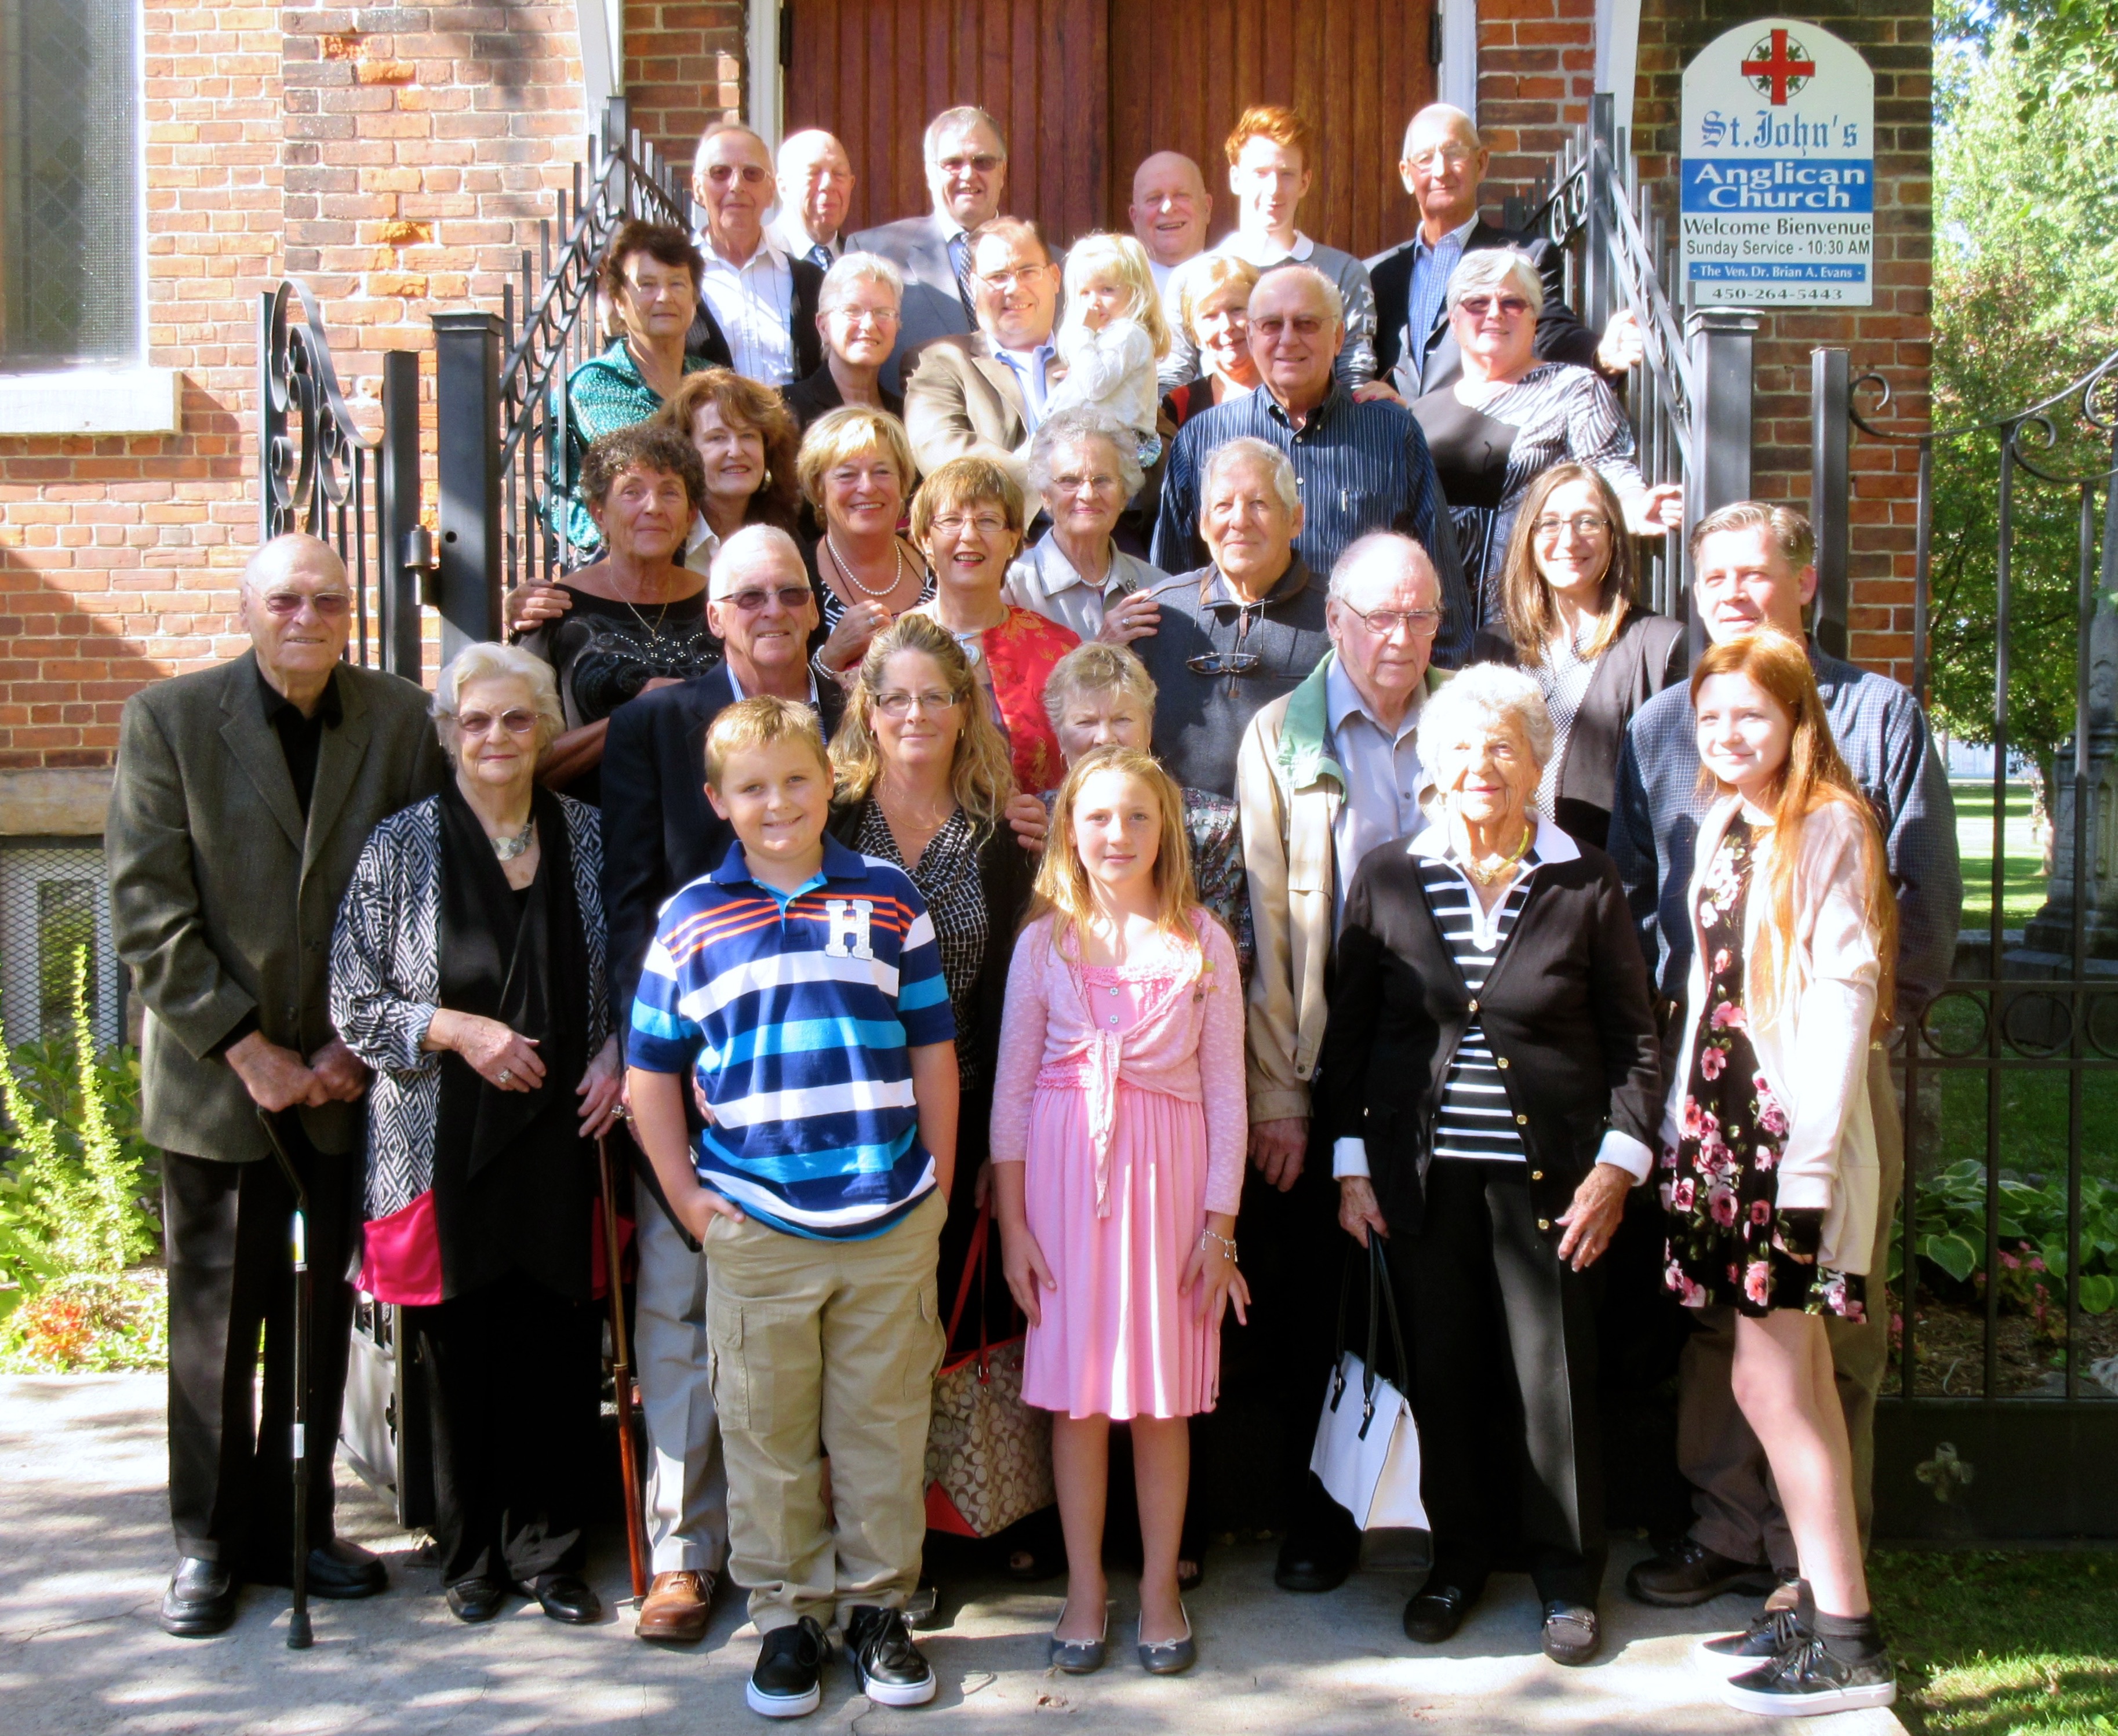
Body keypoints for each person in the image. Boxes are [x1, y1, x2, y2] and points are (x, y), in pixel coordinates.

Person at [1607, 503, 1960, 1617]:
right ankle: (1725, 1528)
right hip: (1708, 1089)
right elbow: (1644, 896)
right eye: (1714, 573)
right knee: (1726, 1335)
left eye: (1756, 573)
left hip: (1818, 1082)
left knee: (1824, 1336)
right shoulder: (1665, 725)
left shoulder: (1872, 715)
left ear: (1802, 584)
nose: (1735, 589)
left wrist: (1842, 1060)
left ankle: (1814, 1573)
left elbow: (1919, 906)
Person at [107, 533, 448, 1638]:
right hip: (222, 1088)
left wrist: (362, 1044)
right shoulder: (171, 719)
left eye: (329, 600)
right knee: (215, 1326)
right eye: (286, 600)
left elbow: (424, 882)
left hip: (344, 1081)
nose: (308, 616)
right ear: (248, 609)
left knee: (312, 1325)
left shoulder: (396, 718)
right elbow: (148, 908)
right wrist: (243, 1047)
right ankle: (209, 1542)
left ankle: (299, 1524)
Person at [1320, 663, 1663, 1666]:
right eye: (1463, 747)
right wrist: (1351, 1166)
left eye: (1503, 748)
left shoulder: (1581, 874)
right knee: (1448, 1374)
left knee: (1551, 1382)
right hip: (1421, 1181)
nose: (1482, 765)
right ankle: (1455, 1561)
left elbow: (1633, 1041)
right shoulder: (1387, 873)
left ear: (1534, 764)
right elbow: (1351, 1039)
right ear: (1434, 764)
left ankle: (1564, 1579)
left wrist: (1618, 1164)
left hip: (1551, 1182)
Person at [626, 697, 958, 1719]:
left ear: (830, 784)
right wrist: (687, 1199)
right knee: (766, 1432)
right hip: (756, 1223)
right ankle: (785, 1618)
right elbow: (649, 1076)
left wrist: (935, 1183)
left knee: (881, 1428)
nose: (778, 803)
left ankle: (875, 1610)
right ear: (719, 803)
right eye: (753, 788)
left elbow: (932, 1052)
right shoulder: (688, 921)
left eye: (797, 781)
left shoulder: (890, 901)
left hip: (885, 1212)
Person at [328, 644, 623, 1626]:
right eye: (475, 721)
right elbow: (354, 1003)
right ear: (449, 733)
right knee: (456, 1353)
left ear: (543, 731)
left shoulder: (588, 838)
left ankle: (550, 1551)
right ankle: (469, 1555)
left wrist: (619, 1053)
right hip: (441, 1137)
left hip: (563, 1136)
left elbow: (633, 977)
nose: (495, 737)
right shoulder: (398, 848)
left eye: (516, 719)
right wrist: (456, 1030)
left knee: (557, 1344)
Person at [598, 527, 845, 1643]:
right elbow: (631, 900)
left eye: (790, 592)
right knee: (681, 1306)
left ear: (813, 605)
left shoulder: (850, 713)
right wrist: (661, 1058)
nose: (770, 609)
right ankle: (685, 1554)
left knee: (828, 1320)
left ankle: (813, 1548)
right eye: (746, 594)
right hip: (697, 1068)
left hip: (827, 1085)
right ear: (714, 611)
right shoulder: (657, 724)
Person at [1668, 631, 1900, 1717]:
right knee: (1784, 1380)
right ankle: (1815, 1610)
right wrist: (1680, 1121)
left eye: (1748, 716)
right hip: (1717, 1139)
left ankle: (1843, 1634)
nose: (1725, 736)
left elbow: (1843, 1005)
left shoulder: (1828, 829)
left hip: (1783, 1144)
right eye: (1709, 718)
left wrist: (1802, 1176)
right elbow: (1707, 985)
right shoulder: (1722, 820)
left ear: (1794, 717)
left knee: (1771, 1382)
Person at [992, 747, 1249, 1676]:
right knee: (1077, 1398)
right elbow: (1012, 1095)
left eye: (1137, 816)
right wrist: (1016, 1225)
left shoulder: (1200, 941)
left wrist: (1219, 1228)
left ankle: (1156, 1588)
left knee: (1160, 1400)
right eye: (1097, 816)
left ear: (1164, 830)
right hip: (1065, 1193)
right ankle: (1085, 1586)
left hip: (1169, 1192)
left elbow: (1228, 1098)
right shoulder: (1044, 942)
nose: (1117, 834)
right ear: (1069, 829)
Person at [1233, 532, 1454, 1596]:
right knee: (1318, 1305)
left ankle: (1451, 1520)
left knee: (1439, 1298)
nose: (1397, 637)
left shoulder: (1471, 720)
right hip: (1330, 1055)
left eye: (1417, 615)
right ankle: (1319, 1521)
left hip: (1449, 1061)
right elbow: (1270, 925)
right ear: (1334, 622)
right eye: (1375, 616)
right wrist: (1275, 1091)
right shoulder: (1282, 733)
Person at [827, 615, 1035, 1409]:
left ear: (962, 710)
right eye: (896, 698)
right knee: (854, 1344)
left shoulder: (1000, 836)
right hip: (846, 1123)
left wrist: (996, 1147)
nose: (915, 714)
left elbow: (1017, 1002)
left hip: (963, 1117)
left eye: (934, 697)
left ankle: (947, 1529)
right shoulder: (828, 827)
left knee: (950, 1328)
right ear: (869, 712)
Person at [1151, 264, 1474, 668]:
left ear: (1338, 337)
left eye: (1306, 323)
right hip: (1235, 676)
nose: (1288, 339)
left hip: (1361, 682)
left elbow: (1439, 580)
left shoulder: (1393, 435)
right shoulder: (1202, 438)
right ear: (1251, 336)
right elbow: (1170, 581)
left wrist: (1439, 686)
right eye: (1271, 325)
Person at [1413, 249, 1681, 614]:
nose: (1495, 313)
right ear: (1455, 321)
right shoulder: (1421, 412)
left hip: (1530, 610)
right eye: (1478, 303)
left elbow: (1607, 466)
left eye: (1512, 303)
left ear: (1535, 319)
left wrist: (1635, 506)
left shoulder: (1574, 388)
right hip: (1435, 616)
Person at [508, 371, 800, 660]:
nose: (735, 451)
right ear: (684, 452)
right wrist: (521, 604)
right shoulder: (648, 535)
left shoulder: (789, 537)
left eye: (748, 436)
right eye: (717, 438)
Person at [1470, 462, 1686, 850]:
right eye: (1549, 524)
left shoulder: (1659, 646)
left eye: (1588, 522)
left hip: (1608, 885)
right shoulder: (1491, 648)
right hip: (1507, 879)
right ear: (1529, 538)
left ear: (1614, 534)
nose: (1568, 541)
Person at [1367, 104, 1639, 399]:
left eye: (1454, 152)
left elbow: (1550, 333)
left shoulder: (1525, 257)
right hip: (1388, 442)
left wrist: (1600, 355)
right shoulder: (1375, 275)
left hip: (1479, 440)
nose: (1441, 170)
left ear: (1481, 163)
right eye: (1425, 158)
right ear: (1407, 175)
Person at [516, 424, 722, 802]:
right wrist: (632, 718)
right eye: (632, 492)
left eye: (670, 492)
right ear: (600, 514)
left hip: (710, 825)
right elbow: (521, 763)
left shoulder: (720, 601)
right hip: (592, 831)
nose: (654, 507)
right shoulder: (555, 611)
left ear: (691, 514)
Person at [1133, 438, 1327, 800]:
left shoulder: (1338, 618)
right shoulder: (1159, 614)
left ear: (1295, 519)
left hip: (1296, 834)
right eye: (1223, 506)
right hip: (1176, 835)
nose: (1239, 521)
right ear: (1204, 525)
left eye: (1258, 504)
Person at [1161, 105, 1376, 389]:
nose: (1274, 188)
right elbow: (1173, 379)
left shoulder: (1343, 273)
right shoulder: (1189, 278)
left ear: (1305, 181)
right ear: (1236, 178)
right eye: (1261, 173)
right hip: (1218, 431)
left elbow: (1355, 377)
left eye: (1286, 174)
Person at [909, 455, 1079, 794]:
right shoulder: (894, 646)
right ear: (926, 539)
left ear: (1013, 540)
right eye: (951, 521)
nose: (969, 536)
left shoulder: (1059, 649)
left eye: (988, 521)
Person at [551, 220, 709, 555]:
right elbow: (559, 497)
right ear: (620, 302)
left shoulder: (713, 384)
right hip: (626, 569)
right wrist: (611, 548)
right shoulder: (590, 386)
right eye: (647, 284)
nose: (664, 296)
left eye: (677, 283)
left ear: (694, 298)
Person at [850, 105, 1011, 391]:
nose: (968, 175)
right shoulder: (874, 252)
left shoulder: (1051, 266)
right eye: (952, 163)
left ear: (1003, 171)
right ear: (929, 173)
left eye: (983, 162)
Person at [902, 216, 1064, 490]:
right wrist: (1059, 491)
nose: (1014, 288)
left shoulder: (1097, 357)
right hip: (1002, 525)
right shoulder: (939, 362)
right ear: (972, 286)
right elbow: (944, 453)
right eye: (998, 277)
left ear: (1055, 278)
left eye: (1028, 272)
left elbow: (1156, 441)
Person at [1004, 409, 1167, 644]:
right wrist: (1104, 647)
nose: (1088, 495)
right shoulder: (1014, 587)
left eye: (1103, 480)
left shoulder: (1158, 585)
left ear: (1125, 495)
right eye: (1070, 481)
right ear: (1045, 495)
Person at [800, 407, 934, 680]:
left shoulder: (935, 559)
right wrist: (832, 656)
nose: (867, 487)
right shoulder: (796, 576)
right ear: (818, 488)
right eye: (847, 474)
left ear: (903, 483)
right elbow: (777, 689)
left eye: (882, 472)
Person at [687, 121, 825, 388]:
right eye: (720, 173)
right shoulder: (674, 280)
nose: (736, 185)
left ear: (770, 191)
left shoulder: (811, 282)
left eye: (752, 174)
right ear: (697, 188)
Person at [1042, 234, 1171, 471]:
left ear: (1134, 292)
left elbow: (1095, 385)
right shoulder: (1101, 338)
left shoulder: (1128, 334)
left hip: (1118, 449)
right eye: (1085, 293)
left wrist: (1083, 332)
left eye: (1106, 290)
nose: (1094, 302)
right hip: (1089, 442)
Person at [780, 253, 907, 431]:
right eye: (853, 310)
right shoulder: (785, 410)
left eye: (883, 313)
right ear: (823, 327)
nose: (869, 324)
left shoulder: (907, 416)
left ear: (897, 327)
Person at [1128, 150, 1213, 385]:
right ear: (1135, 216)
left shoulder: (1237, 284)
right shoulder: (1111, 292)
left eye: (1181, 195)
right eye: (1154, 198)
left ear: (1207, 207)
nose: (1167, 208)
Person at [1163, 256, 1261, 429]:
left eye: (1236, 310)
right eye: (1211, 316)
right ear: (1195, 333)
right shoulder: (1179, 405)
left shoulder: (1293, 392)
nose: (1226, 326)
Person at [770, 128, 856, 269]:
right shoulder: (757, 256)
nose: (828, 184)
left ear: (851, 184)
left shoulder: (861, 264)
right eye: (813, 173)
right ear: (783, 187)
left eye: (839, 174)